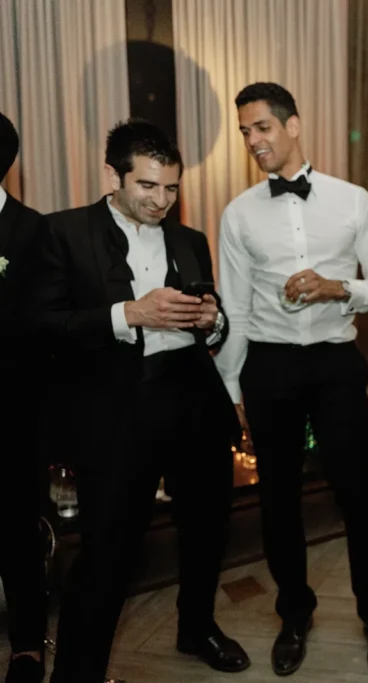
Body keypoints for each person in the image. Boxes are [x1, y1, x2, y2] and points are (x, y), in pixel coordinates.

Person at [31, 120, 248, 682]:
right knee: (110, 552)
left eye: (172, 188)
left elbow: (212, 324)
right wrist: (128, 313)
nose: (161, 200)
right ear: (113, 174)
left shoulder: (190, 240)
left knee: (206, 530)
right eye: (148, 186)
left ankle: (196, 626)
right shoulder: (62, 233)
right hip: (115, 412)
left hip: (193, 400)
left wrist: (213, 320)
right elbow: (40, 328)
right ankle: (78, 672)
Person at [215, 82, 368, 677]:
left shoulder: (353, 201)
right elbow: (235, 310)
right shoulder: (238, 212)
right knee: (278, 503)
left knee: (357, 498)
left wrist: (337, 286)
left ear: (293, 125)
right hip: (268, 368)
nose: (253, 141)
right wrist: (232, 387)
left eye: (262, 127)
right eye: (245, 131)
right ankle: (294, 615)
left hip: (334, 365)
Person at [0, 114, 48, 683]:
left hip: (12, 412)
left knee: (16, 532)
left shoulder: (31, 232)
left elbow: (42, 329)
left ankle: (28, 646)